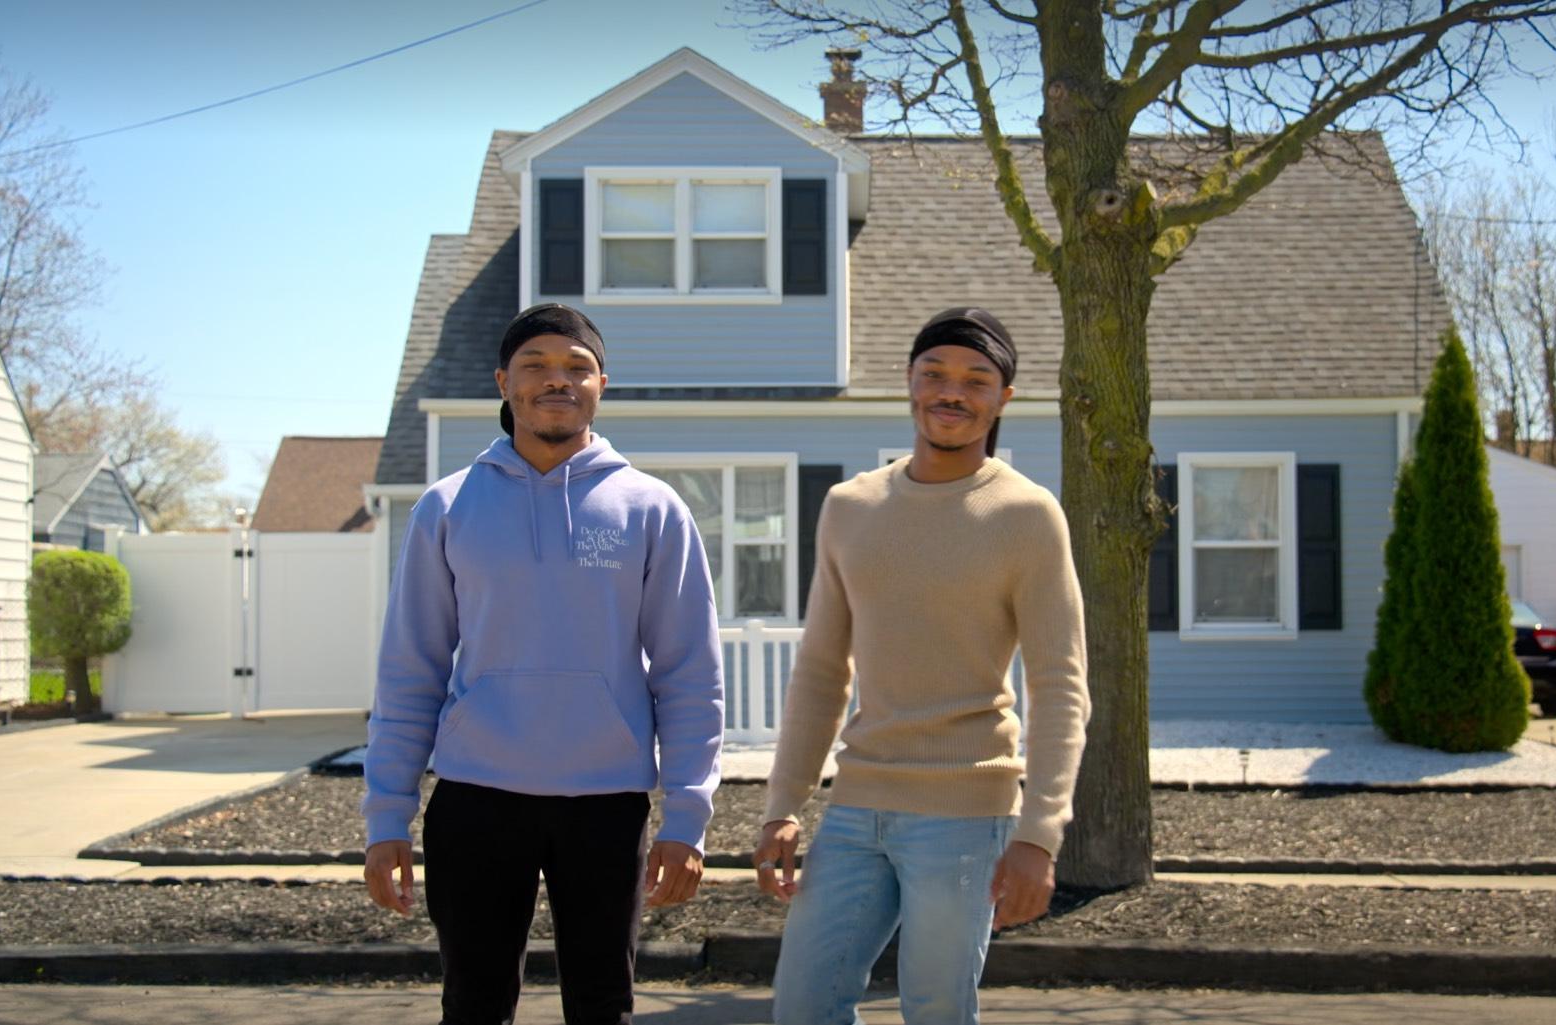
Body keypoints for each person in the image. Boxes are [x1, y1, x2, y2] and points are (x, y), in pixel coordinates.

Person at [362, 302, 724, 1025]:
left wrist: (687, 816)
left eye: (575, 367)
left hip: (606, 804)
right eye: (535, 366)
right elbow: (411, 670)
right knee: (473, 1005)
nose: (556, 380)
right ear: (504, 382)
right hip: (475, 797)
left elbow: (688, 674)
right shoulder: (448, 506)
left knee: (601, 1007)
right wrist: (386, 816)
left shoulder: (650, 508)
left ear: (600, 385)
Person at [754, 307, 1091, 1025]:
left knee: (936, 1011)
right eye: (933, 372)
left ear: (1002, 398)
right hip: (854, 809)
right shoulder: (851, 506)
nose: (951, 390)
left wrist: (1038, 833)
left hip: (965, 814)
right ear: (908, 382)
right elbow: (820, 669)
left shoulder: (1027, 515)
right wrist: (783, 803)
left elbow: (1060, 687)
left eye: (975, 378)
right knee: (803, 1005)